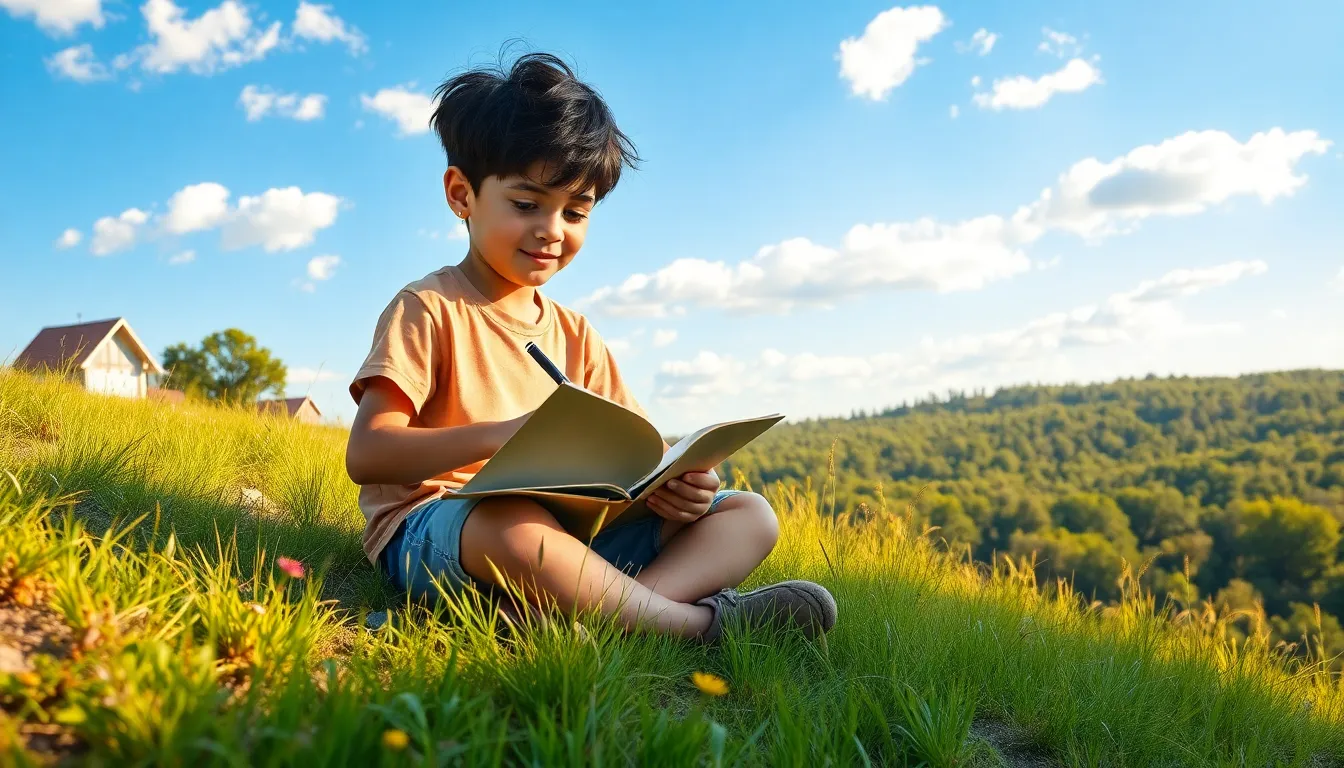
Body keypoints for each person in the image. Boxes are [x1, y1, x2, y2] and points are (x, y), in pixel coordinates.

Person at [345, 51, 836, 643]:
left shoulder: (577, 335)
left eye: (575, 211)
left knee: (747, 514)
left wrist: (676, 487)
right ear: (461, 194)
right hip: (444, 528)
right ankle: (695, 626)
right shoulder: (429, 308)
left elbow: (637, 455)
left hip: (570, 533)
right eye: (526, 204)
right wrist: (503, 436)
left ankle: (586, 617)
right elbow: (368, 454)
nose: (552, 229)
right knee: (513, 524)